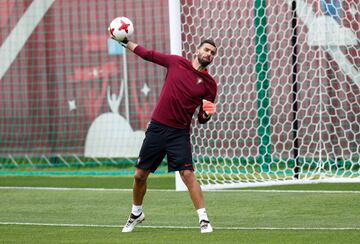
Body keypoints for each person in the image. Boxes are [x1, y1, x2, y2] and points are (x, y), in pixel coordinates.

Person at [118, 36, 217, 234]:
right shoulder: (176, 62)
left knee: (187, 174)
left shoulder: (209, 85)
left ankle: (204, 220)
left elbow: (202, 118)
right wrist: (125, 42)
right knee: (139, 176)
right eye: (206, 49)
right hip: (157, 128)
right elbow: (148, 54)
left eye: (213, 53)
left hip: (179, 133)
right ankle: (136, 213)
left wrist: (206, 115)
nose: (209, 54)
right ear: (197, 51)